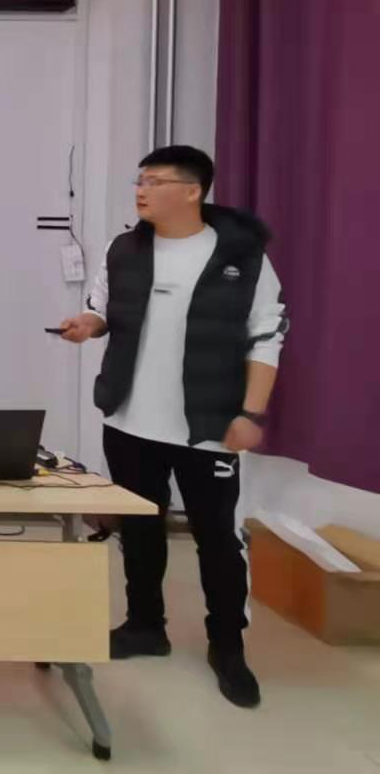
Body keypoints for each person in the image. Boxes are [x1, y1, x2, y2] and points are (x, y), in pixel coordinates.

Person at [58, 145, 286, 709]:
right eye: (139, 180)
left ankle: (227, 646)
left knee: (216, 539)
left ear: (192, 191)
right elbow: (103, 307)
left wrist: (251, 413)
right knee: (140, 529)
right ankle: (145, 626)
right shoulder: (124, 248)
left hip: (207, 425)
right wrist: (88, 324)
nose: (141, 190)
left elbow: (267, 335)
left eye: (155, 181)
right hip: (130, 420)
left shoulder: (242, 255)